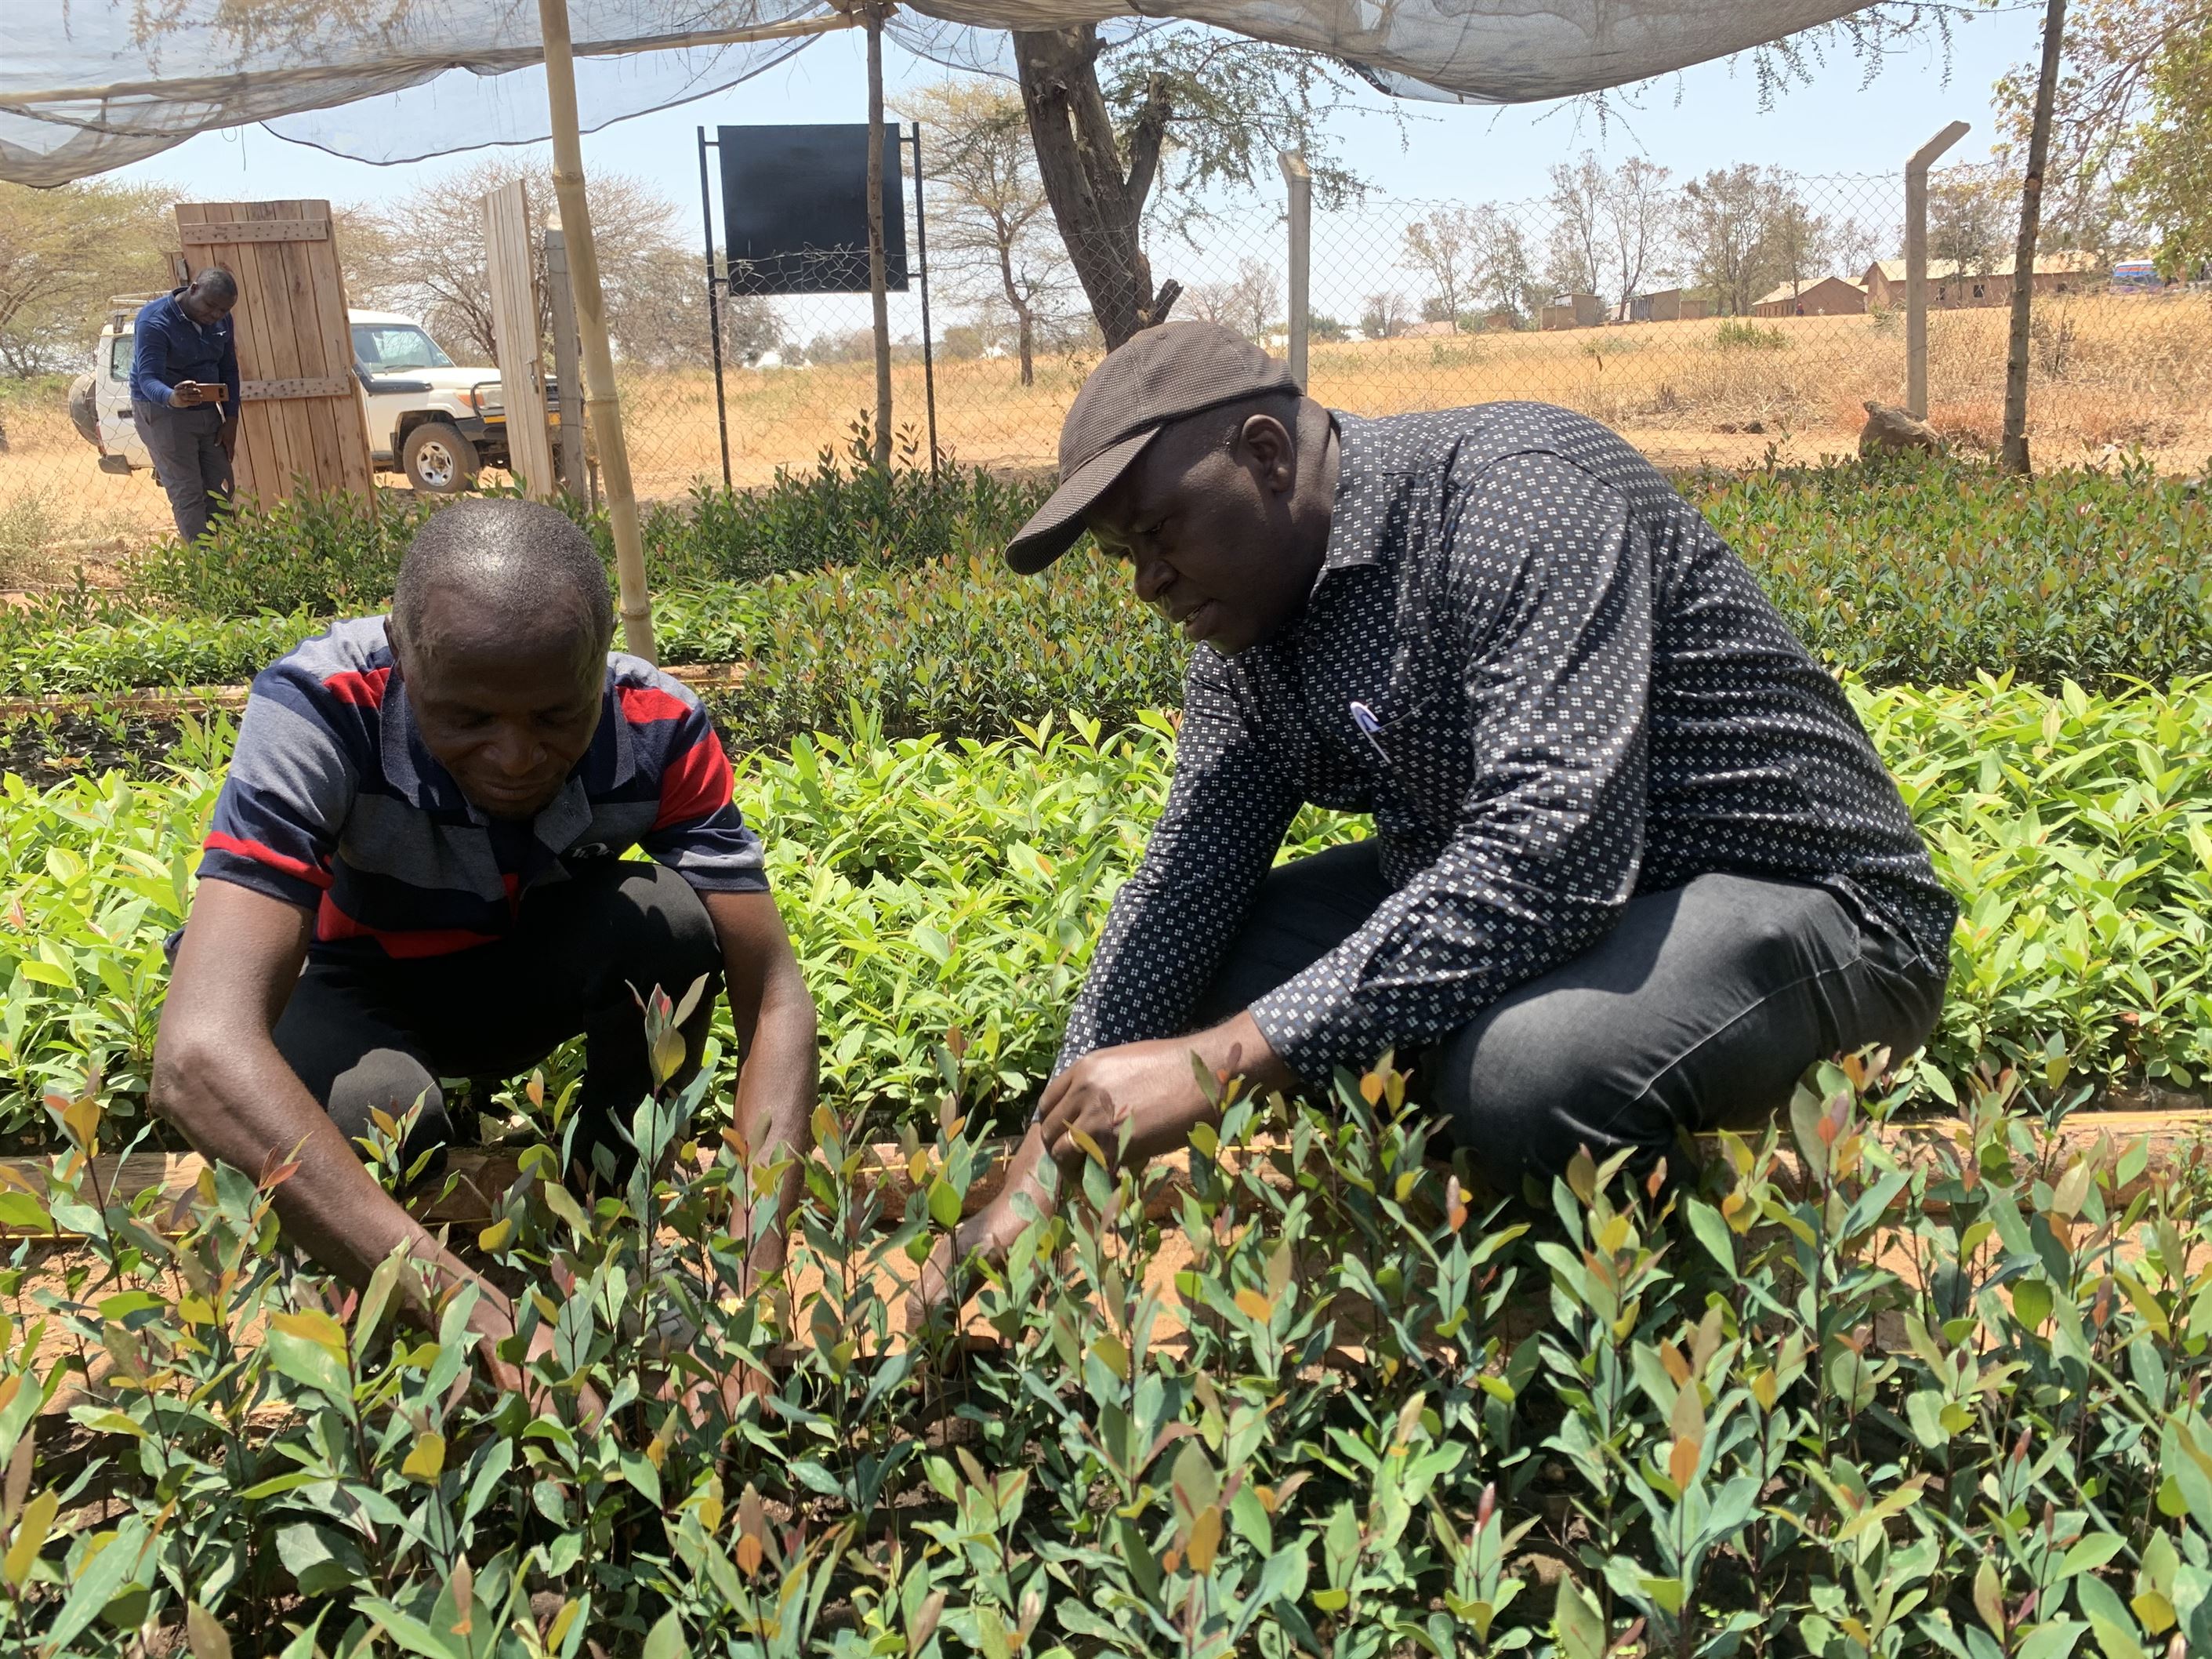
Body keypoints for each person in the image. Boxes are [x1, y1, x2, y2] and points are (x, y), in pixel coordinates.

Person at [938, 321, 1956, 1276]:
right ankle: (1490, 1167)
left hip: (1812, 913)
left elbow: (1548, 861)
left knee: (1526, 1074)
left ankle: (1683, 1298)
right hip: (1581, 914)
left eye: (1160, 532)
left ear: (1265, 454)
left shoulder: (1515, 497)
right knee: (1202, 976)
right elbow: (1181, 890)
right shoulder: (1247, 631)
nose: (1147, 584)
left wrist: (1216, 1064)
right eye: (1124, 557)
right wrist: (1038, 1170)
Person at [154, 499, 818, 1385]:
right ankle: (350, 1283)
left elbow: (774, 997)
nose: (514, 755)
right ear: (402, 653)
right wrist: (472, 1315)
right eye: (467, 718)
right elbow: (198, 1053)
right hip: (346, 978)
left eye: (556, 717)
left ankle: (611, 1236)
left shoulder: (656, 723)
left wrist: (753, 1295)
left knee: (670, 927)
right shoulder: (322, 705)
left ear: (600, 662)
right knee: (385, 1117)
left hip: (507, 969)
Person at [131, 268, 242, 543]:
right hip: (162, 409)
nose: (215, 315)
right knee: (188, 492)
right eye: (210, 306)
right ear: (193, 289)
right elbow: (148, 378)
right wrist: (173, 397)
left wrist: (231, 420)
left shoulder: (223, 320)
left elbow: (229, 369)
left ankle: (228, 556)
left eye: (223, 310)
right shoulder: (154, 320)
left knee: (221, 486)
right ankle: (204, 563)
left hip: (207, 408)